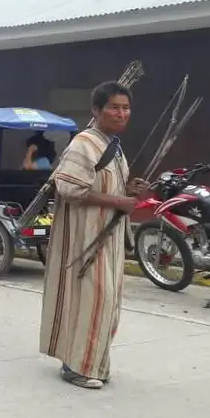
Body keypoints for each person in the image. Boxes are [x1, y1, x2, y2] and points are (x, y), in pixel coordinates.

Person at [40, 81, 144, 389]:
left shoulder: (113, 145)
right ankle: (76, 365)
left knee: (107, 303)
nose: (121, 113)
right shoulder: (84, 144)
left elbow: (108, 186)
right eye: (114, 107)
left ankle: (93, 363)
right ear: (96, 111)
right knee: (93, 299)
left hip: (108, 237)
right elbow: (69, 188)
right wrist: (118, 201)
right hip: (84, 236)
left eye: (126, 108)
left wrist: (128, 191)